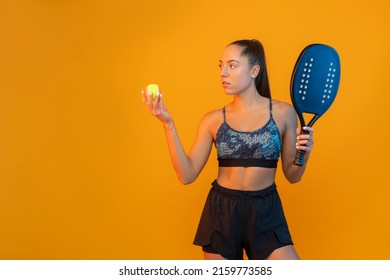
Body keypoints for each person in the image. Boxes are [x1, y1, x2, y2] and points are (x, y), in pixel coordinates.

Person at [141, 39, 314, 260]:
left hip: (266, 211)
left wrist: (304, 155)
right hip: (221, 213)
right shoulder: (212, 120)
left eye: (232, 66)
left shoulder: (283, 114)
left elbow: (293, 176)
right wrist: (168, 123)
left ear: (254, 70)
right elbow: (186, 175)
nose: (223, 73)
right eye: (221, 65)